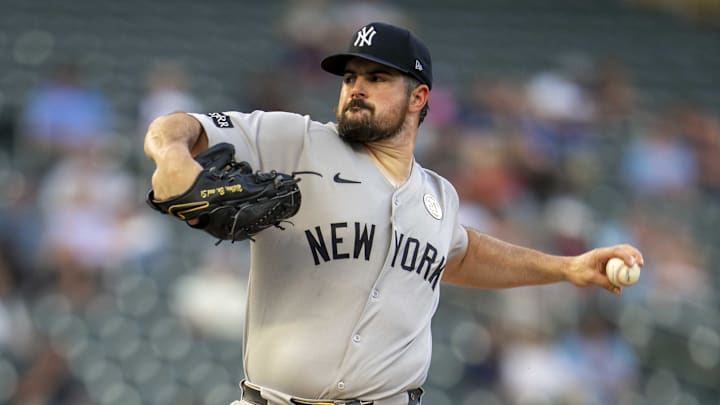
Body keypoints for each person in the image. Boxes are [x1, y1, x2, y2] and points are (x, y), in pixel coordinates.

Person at [144, 22, 644, 405]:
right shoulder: (297, 141)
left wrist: (567, 268)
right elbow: (177, 125)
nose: (356, 87)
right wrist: (171, 157)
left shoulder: (439, 196)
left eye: (377, 77)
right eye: (350, 76)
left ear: (418, 97)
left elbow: (464, 256)